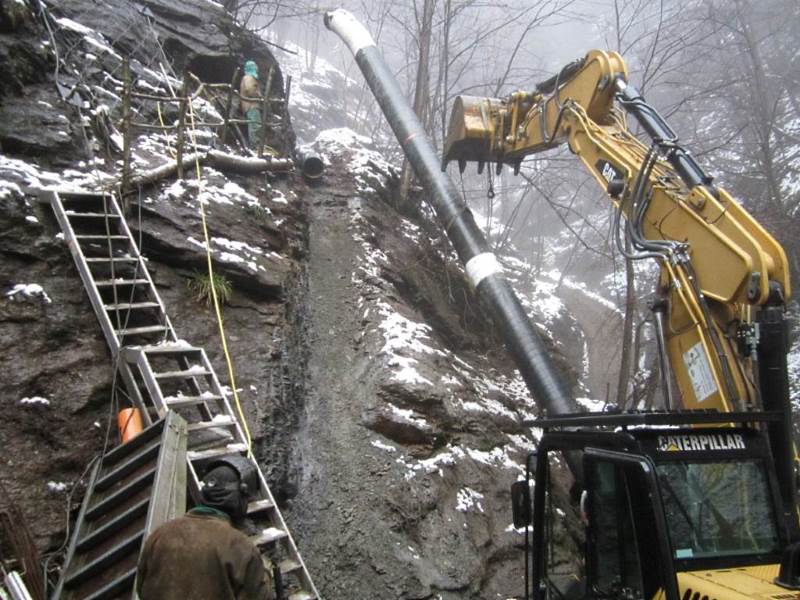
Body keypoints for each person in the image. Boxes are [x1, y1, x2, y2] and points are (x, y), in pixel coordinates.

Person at [136, 457, 273, 600]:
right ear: (239, 499)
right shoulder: (241, 548)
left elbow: (141, 587)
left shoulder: (159, 535)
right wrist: (266, 575)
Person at [240, 60, 262, 149]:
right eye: (255, 66)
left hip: (249, 105)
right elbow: (250, 90)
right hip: (251, 105)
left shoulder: (248, 77)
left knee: (254, 125)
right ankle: (255, 146)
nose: (257, 68)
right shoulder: (249, 77)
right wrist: (259, 96)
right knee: (255, 126)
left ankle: (255, 145)